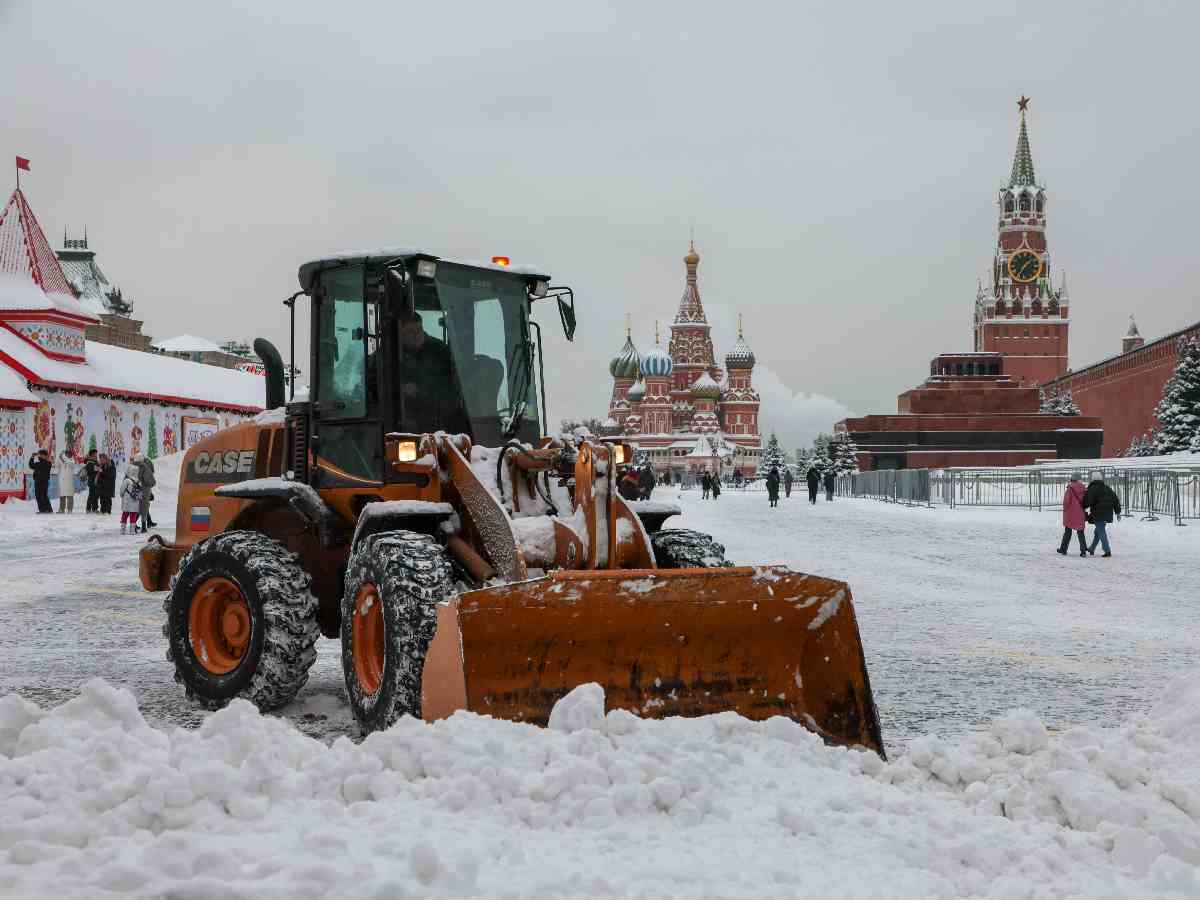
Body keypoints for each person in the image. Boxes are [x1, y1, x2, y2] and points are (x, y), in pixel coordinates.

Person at [396, 309, 468, 432]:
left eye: (419, 329)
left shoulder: (440, 352)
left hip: (441, 419)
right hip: (404, 420)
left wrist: (420, 392)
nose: (416, 335)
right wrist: (400, 389)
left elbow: (454, 385)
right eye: (410, 332)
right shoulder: (387, 354)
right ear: (400, 335)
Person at [1083, 475, 1122, 558]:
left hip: (1098, 513)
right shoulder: (1107, 488)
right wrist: (1118, 512)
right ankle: (1092, 548)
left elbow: (1088, 501)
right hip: (1107, 513)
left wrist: (1083, 506)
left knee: (1101, 531)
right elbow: (1115, 499)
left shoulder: (1092, 488)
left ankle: (1107, 550)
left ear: (1093, 479)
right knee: (1098, 531)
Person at [1057, 472, 1088, 557]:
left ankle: (1063, 549)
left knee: (1067, 532)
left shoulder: (1070, 488)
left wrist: (1065, 509)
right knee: (1080, 532)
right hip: (1080, 513)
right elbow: (1086, 501)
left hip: (1070, 513)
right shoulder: (1084, 488)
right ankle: (1083, 551)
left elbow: (1066, 501)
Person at [119, 464, 143, 535]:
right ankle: (132, 531)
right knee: (133, 516)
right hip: (135, 502)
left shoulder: (127, 481)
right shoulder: (139, 481)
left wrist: (122, 496)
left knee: (125, 515)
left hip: (127, 502)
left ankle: (122, 530)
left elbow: (121, 491)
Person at [136, 454, 157, 531]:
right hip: (144, 489)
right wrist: (152, 483)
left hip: (137, 489)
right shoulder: (144, 467)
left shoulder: (133, 466)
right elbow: (148, 480)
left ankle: (135, 524)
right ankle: (143, 526)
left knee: (139, 506)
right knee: (144, 507)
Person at [28, 449, 53, 513]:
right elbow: (31, 465)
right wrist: (32, 457)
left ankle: (44, 510)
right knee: (42, 495)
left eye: (40, 455)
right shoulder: (43, 463)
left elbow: (32, 465)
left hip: (42, 481)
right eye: (39, 455)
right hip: (39, 481)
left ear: (44, 455)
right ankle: (48, 509)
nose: (39, 456)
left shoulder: (46, 463)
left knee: (41, 495)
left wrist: (33, 457)